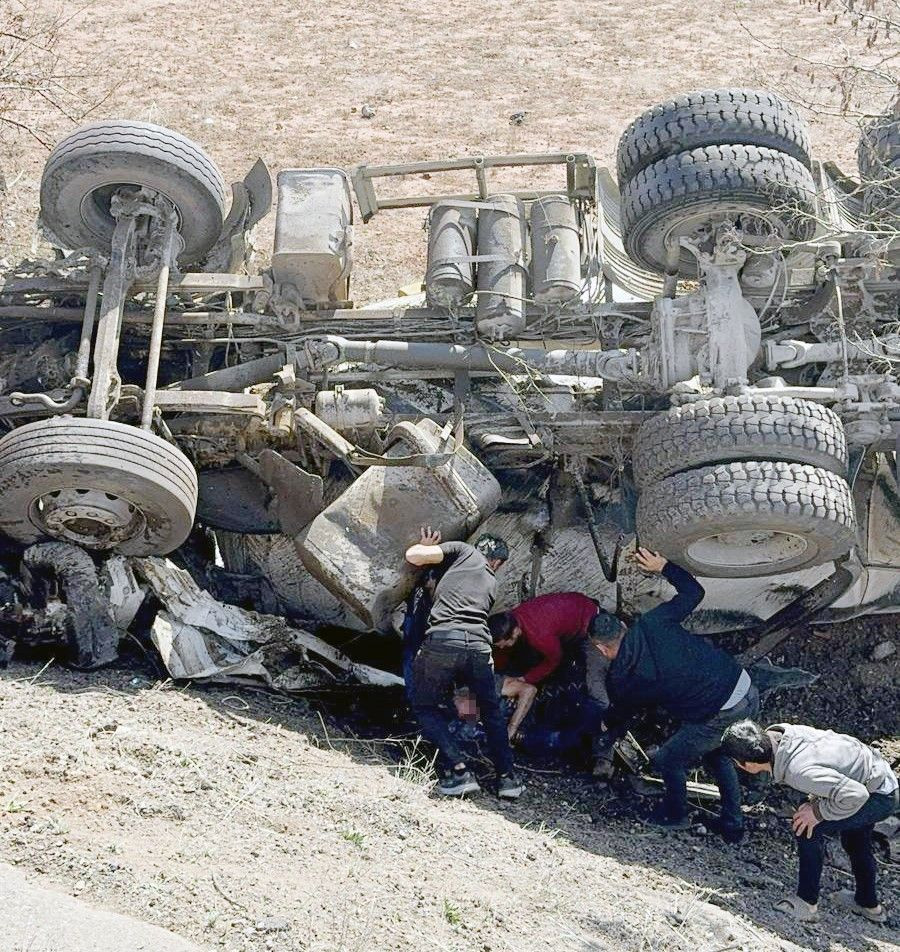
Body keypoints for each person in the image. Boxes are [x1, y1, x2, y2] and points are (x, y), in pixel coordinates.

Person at [589, 547, 758, 841]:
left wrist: (607, 727)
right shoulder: (653, 622)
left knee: (669, 759)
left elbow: (624, 714)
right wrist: (664, 566)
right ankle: (733, 825)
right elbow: (694, 592)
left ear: (602, 649)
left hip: (720, 710)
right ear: (623, 626)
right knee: (717, 755)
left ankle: (675, 815)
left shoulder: (624, 678)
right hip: (743, 684)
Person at [722, 719, 899, 924]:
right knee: (855, 840)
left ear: (749, 765)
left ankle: (806, 904)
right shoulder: (784, 735)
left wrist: (818, 812)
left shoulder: (798, 771)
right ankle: (868, 905)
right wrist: (815, 804)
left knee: (806, 828)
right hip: (875, 775)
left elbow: (856, 795)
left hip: (877, 795)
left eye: (735, 762)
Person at [405, 526, 523, 799]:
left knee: (424, 707)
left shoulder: (463, 550)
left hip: (444, 641)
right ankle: (507, 779)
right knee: (491, 713)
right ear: (497, 562)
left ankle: (459, 770)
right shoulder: (491, 582)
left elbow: (413, 556)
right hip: (480, 648)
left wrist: (426, 548)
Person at [489, 592, 601, 742]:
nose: (502, 647)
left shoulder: (539, 635)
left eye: (504, 644)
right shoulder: (512, 619)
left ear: (515, 632)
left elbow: (554, 660)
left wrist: (524, 679)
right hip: (571, 605)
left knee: (586, 681)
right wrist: (498, 674)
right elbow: (502, 652)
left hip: (587, 619)